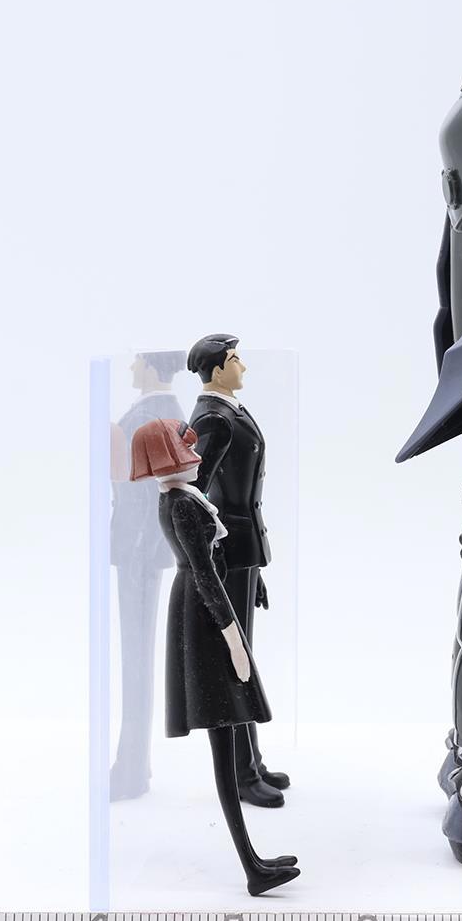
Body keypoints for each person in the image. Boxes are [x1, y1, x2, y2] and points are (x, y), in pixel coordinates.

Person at [129, 417, 299, 896]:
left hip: (203, 610)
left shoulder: (182, 497)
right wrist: (232, 637)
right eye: (185, 448)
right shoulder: (182, 503)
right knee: (223, 741)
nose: (197, 453)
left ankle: (253, 863)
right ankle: (252, 867)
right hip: (205, 617)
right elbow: (205, 574)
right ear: (169, 458)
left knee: (226, 738)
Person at [187, 333, 290, 808]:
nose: (242, 366)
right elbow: (198, 494)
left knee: (244, 657)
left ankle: (252, 761)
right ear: (216, 369)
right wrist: (217, 556)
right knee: (235, 662)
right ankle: (241, 773)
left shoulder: (229, 410)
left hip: (242, 551)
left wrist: (254, 566)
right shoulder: (213, 417)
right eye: (234, 359)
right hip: (227, 552)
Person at [109, 351, 186, 801]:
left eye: (137, 361)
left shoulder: (150, 414)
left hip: (138, 553)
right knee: (136, 661)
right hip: (142, 550)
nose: (131, 367)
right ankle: (134, 762)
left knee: (135, 662)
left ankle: (132, 768)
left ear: (152, 367)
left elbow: (145, 496)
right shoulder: (163, 410)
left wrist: (139, 552)